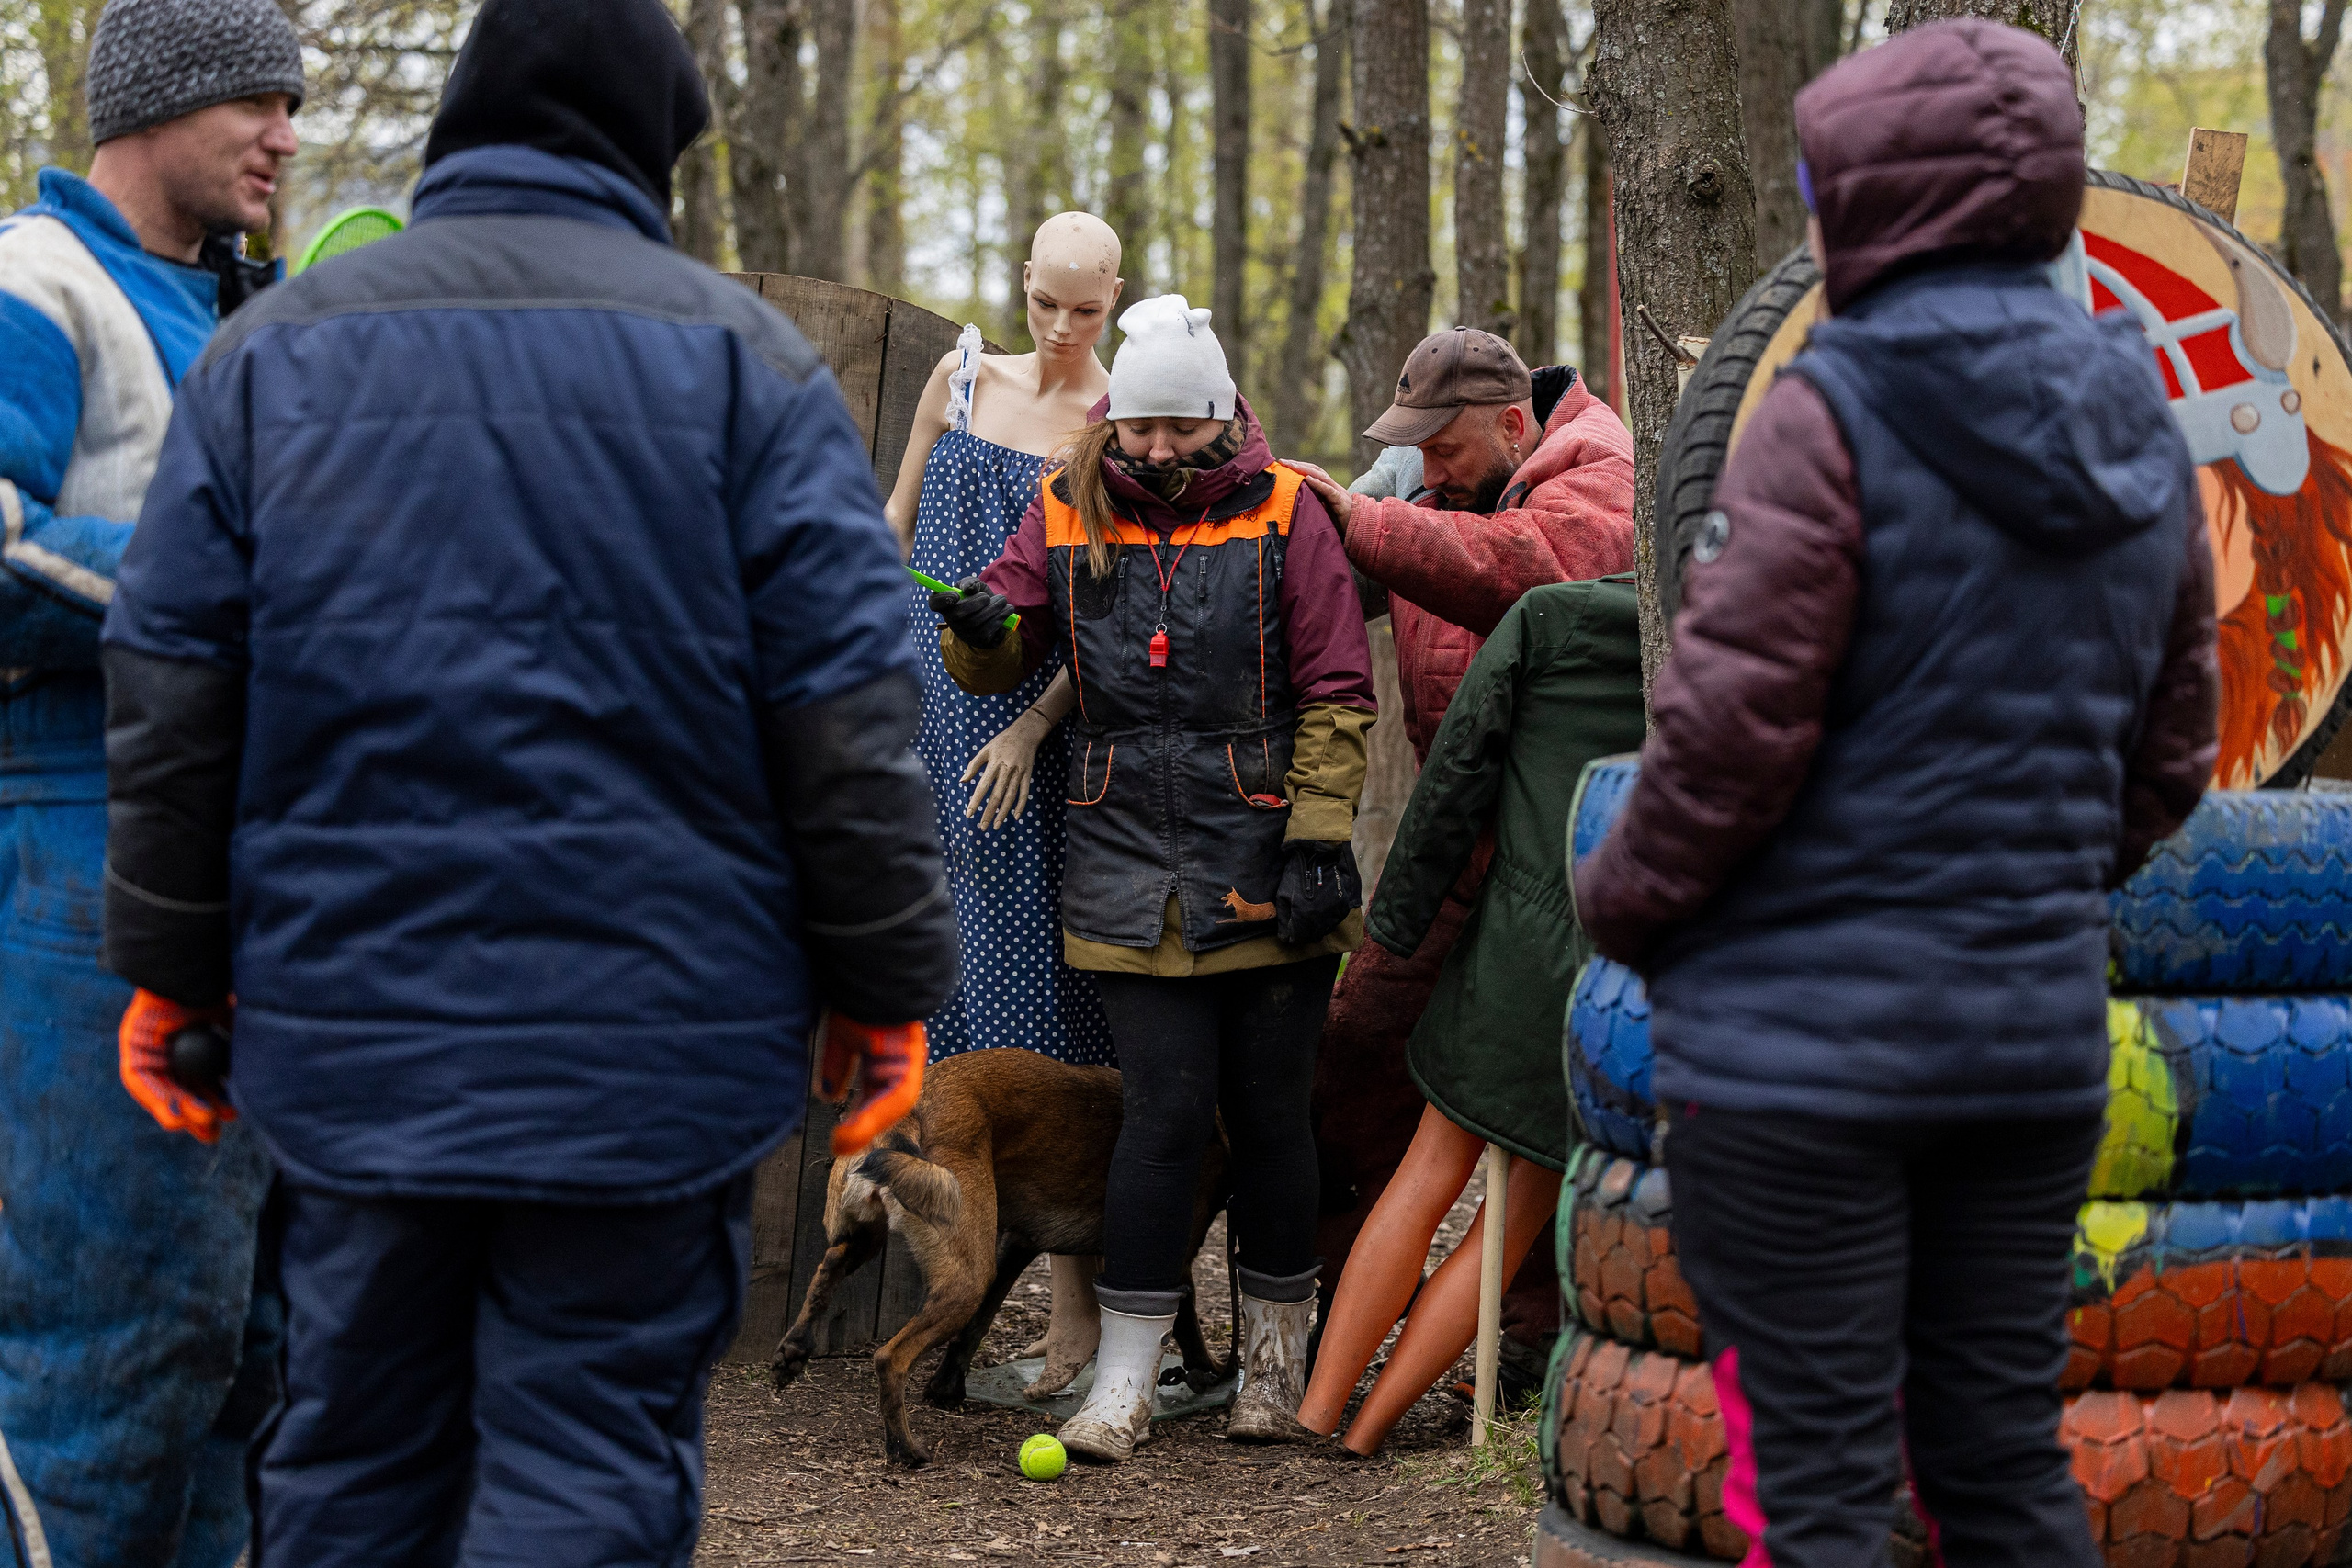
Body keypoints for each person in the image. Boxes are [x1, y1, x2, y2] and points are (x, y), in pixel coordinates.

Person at [98, 0, 957, 1556]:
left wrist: (171, 968)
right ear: (652, 151)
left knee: (351, 1454)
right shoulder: (747, 369)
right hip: (656, 1050)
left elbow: (172, 692)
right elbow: (850, 714)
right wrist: (887, 983)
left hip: (353, 1038)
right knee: (589, 1461)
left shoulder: (271, 355)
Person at [1573, 22, 2219, 1568]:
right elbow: (2172, 752)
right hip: (2029, 1046)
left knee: (1820, 1492)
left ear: (1879, 202)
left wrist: (1626, 901)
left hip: (1804, 1066)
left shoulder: (1830, 410)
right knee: (1999, 1463)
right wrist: (2035, 881)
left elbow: (1731, 731)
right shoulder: (2144, 423)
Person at [933, 294, 1377, 1461]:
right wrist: (979, 631)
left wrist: (1320, 839)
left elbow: (1337, 686)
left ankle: (1273, 1375)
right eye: (1140, 431)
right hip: (1122, 859)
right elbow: (995, 661)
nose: (1160, 451)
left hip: (1271, 858)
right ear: (1116, 422)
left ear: (1222, 414)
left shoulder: (1290, 512)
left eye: (1181, 430)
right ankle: (1121, 1385)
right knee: (1162, 1119)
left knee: (1275, 1120)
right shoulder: (1064, 508)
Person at [0, 0, 300, 1558]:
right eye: (257, 94)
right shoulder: (33, 281)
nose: (288, 131)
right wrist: (241, 592)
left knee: (247, 1364)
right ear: (152, 101)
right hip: (78, 856)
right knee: (99, 1370)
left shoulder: (260, 319)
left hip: (262, 885)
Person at [1284, 327, 1634, 1373]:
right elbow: (1315, 601)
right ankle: (1319, 1320)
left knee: (1538, 1101)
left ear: (1513, 425)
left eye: (1441, 449)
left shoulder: (1600, 474)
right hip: (1453, 848)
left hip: (1564, 860)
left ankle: (1527, 1343)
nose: (1423, 469)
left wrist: (1362, 520)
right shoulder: (1438, 494)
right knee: (1353, 1057)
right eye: (1413, 450)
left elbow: (1529, 571)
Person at [1299, 574, 1646, 1453]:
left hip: (1515, 947)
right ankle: (1366, 1431)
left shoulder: (1556, 617)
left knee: (1426, 1175)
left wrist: (1400, 926)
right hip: (1626, 986)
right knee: (1509, 1224)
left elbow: (1457, 771)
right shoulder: (1760, 637)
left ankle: (1318, 1413)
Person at [886, 213, 1124, 1389]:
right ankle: (947, 1289)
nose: (1064, 329)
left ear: (1116, 298)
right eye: (1049, 303)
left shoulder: (1121, 419)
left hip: (1038, 740)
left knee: (1050, 994)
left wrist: (1036, 725)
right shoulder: (960, 374)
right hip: (932, 721)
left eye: (1087, 309)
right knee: (943, 987)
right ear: (1023, 285)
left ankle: (1074, 1312)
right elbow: (894, 531)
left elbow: (1121, 620)